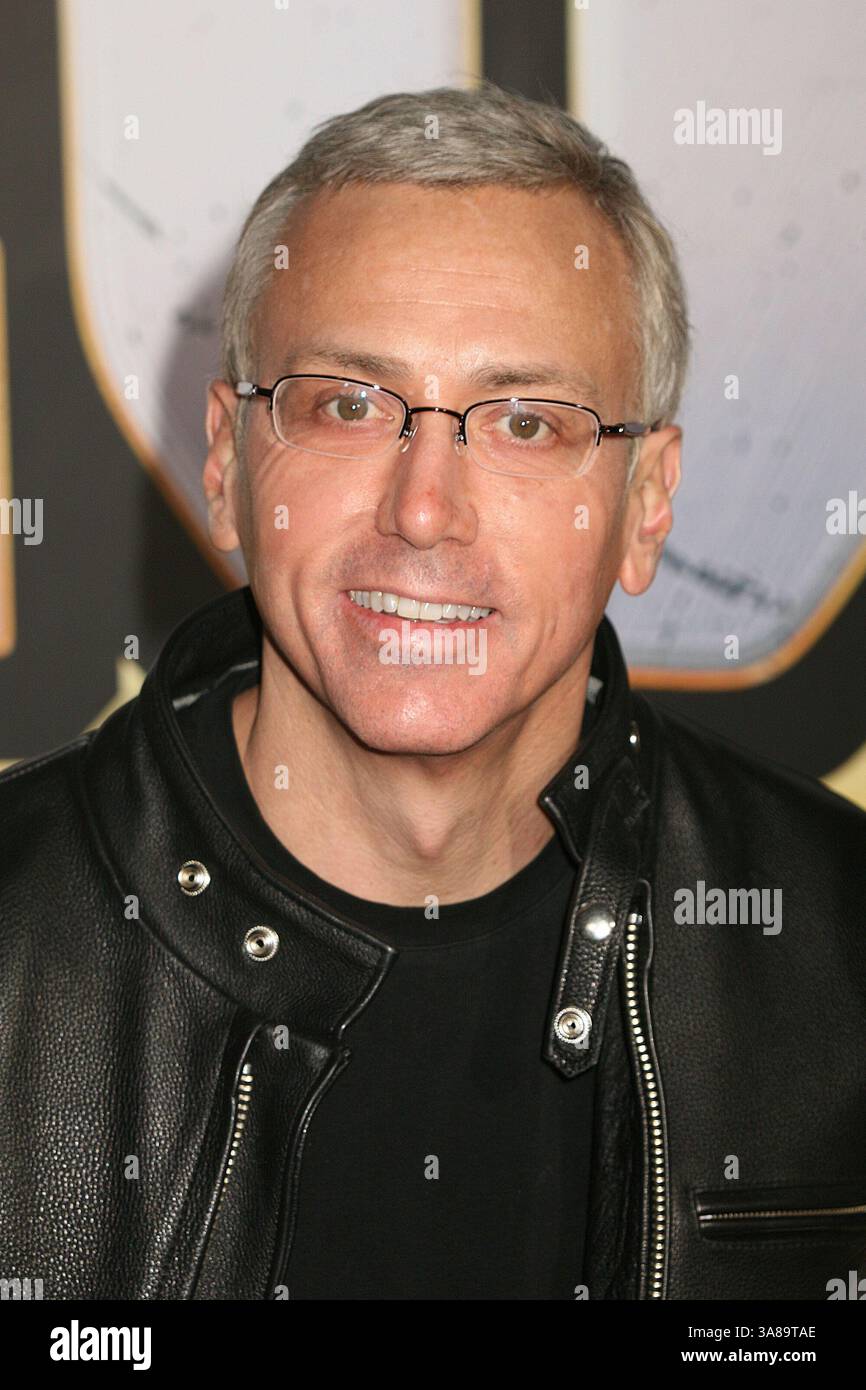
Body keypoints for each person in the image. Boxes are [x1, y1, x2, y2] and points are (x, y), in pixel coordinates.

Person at [0, 81, 863, 1302]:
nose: (421, 510)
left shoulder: (835, 937)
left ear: (645, 503)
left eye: (525, 424)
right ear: (228, 459)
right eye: (348, 405)